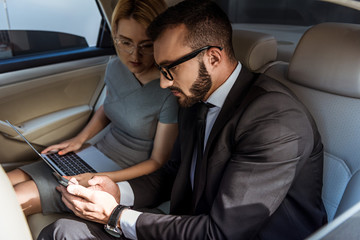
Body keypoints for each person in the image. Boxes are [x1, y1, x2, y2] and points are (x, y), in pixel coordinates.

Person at [38, 1, 328, 239]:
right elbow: (172, 174)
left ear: (213, 58)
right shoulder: (194, 100)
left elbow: (221, 232)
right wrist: (117, 191)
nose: (164, 84)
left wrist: (115, 215)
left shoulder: (275, 122)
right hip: (189, 226)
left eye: (169, 69)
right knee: (63, 231)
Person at [7, 0, 178, 217]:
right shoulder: (116, 67)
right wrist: (79, 140)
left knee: (15, 199)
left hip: (124, 172)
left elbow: (158, 161)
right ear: (115, 34)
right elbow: (108, 107)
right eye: (125, 42)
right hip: (93, 153)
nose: (134, 56)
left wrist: (100, 178)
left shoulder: (169, 90)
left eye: (146, 45)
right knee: (6, 181)